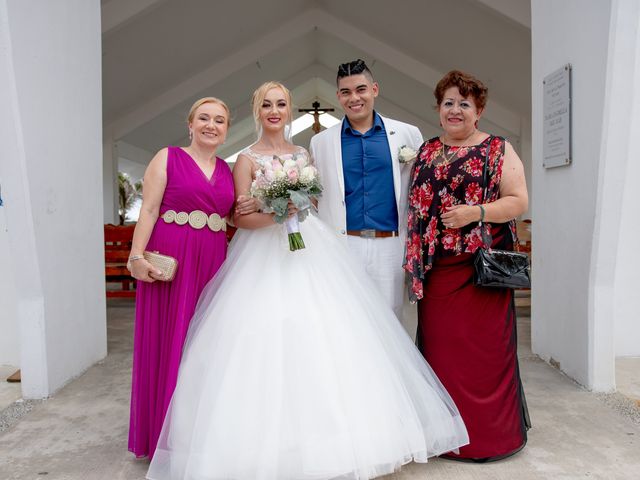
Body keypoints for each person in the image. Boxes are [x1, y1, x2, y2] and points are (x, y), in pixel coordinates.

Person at [146, 81, 468, 480]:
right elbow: (239, 216)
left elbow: (314, 203)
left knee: (327, 331)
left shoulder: (303, 152)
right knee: (261, 334)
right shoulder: (245, 159)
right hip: (260, 255)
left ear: (290, 110)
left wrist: (299, 205)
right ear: (256, 110)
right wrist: (281, 212)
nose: (274, 111)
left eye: (281, 103)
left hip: (310, 248)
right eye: (266, 104)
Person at [405, 70, 531, 461]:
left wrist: (475, 212)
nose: (455, 110)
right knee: (442, 354)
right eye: (448, 103)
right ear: (438, 109)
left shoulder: (497, 148)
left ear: (479, 111)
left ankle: (488, 439)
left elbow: (518, 201)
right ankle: (446, 437)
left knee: (484, 355)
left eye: (465, 104)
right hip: (439, 273)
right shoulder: (424, 151)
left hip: (480, 271)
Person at [126, 97, 256, 458]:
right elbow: (149, 209)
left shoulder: (228, 170)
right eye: (203, 118)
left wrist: (256, 205)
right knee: (169, 340)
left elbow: (231, 216)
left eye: (219, 120)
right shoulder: (167, 157)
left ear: (227, 129)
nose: (211, 125)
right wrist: (135, 257)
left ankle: (195, 433)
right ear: (190, 124)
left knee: (205, 345)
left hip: (213, 261)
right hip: (172, 259)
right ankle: (161, 437)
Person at [310, 59, 423, 320]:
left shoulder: (407, 134)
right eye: (346, 92)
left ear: (374, 89)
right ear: (338, 96)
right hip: (344, 243)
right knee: (344, 318)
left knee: (390, 319)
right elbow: (315, 196)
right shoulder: (321, 142)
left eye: (361, 89)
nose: (354, 98)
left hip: (391, 243)